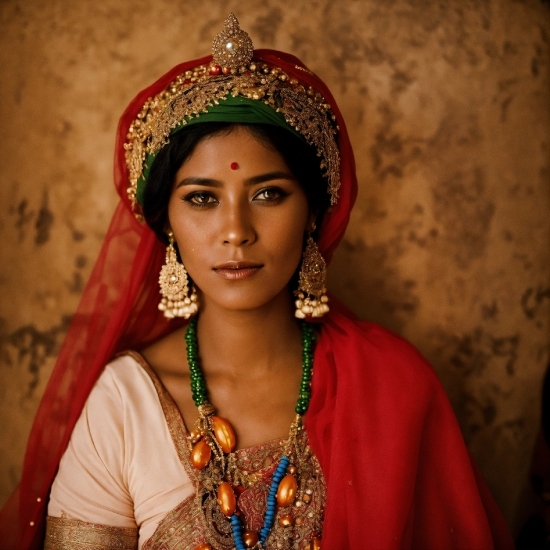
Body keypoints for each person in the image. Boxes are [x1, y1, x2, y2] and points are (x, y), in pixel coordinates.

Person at [0, 14, 514, 550]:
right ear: (166, 223)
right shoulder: (123, 408)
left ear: (313, 212)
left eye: (268, 194)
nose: (235, 232)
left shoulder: (396, 388)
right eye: (202, 198)